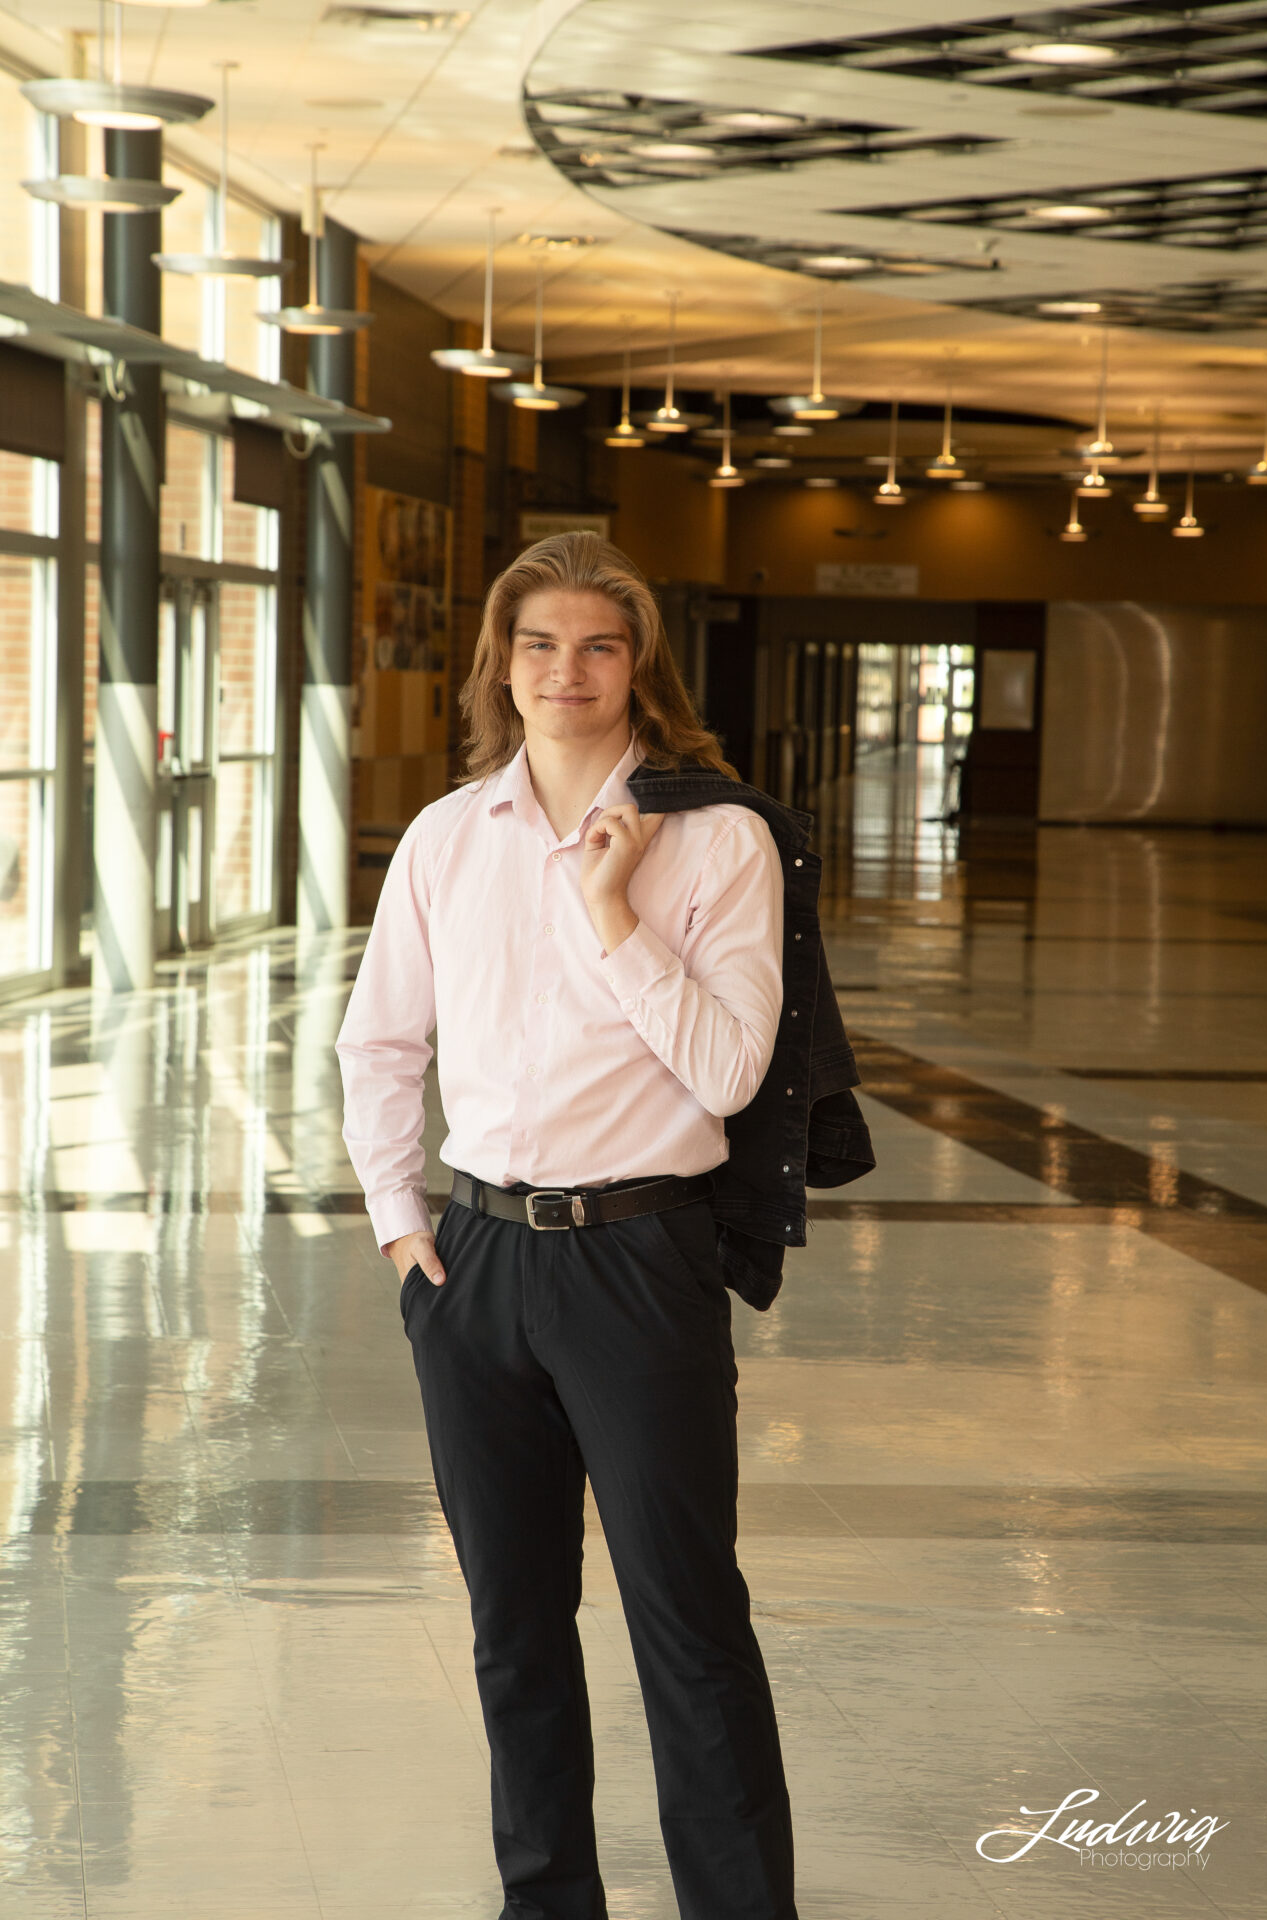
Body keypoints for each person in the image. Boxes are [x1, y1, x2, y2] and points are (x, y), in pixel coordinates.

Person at [336, 531, 798, 1920]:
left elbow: (726, 1073)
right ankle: (547, 1899)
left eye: (599, 644)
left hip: (640, 1264)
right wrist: (399, 1228)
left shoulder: (721, 839)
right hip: (471, 1267)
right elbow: (379, 1042)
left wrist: (612, 911)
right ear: (503, 663)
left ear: (638, 667)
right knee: (512, 1628)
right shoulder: (445, 836)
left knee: (687, 1619)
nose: (568, 670)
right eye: (540, 643)